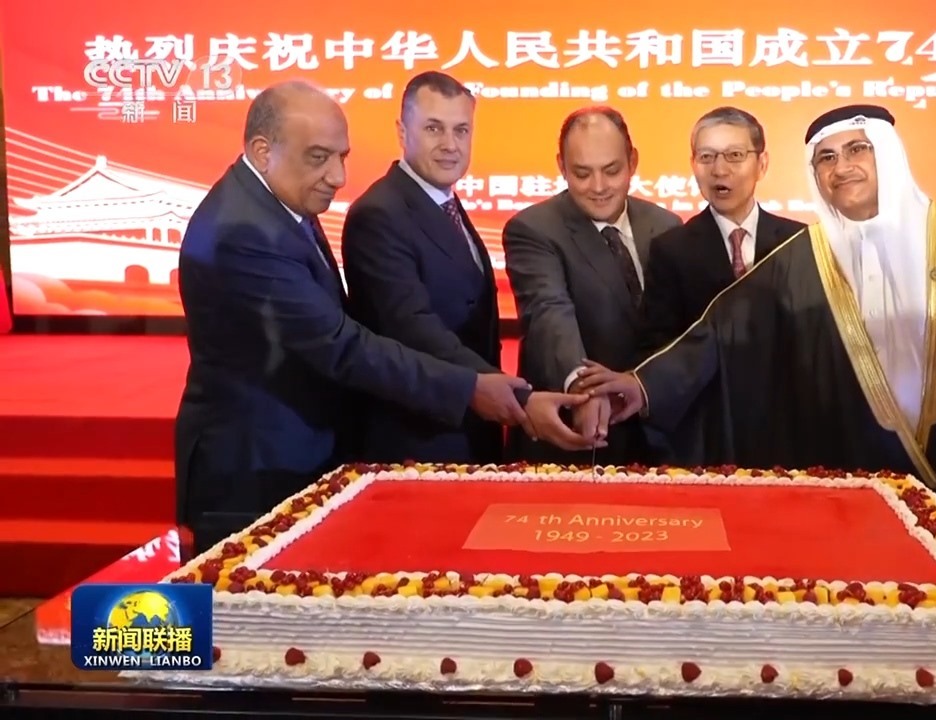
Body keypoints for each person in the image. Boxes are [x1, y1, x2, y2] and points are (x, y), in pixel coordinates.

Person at [176, 81, 595, 555]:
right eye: (319, 158)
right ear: (262, 150)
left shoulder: (279, 203)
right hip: (253, 469)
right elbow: (342, 345)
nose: (338, 176)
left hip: (292, 454)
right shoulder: (244, 231)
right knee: (246, 602)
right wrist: (475, 389)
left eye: (342, 157)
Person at [576, 104, 936, 525]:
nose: (841, 167)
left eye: (857, 150)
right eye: (826, 158)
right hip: (860, 488)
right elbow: (721, 334)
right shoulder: (807, 256)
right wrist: (643, 384)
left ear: (888, 156)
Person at [342, 71, 509, 464]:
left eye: (461, 130)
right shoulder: (378, 214)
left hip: (467, 429)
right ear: (402, 131)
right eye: (434, 128)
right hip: (415, 439)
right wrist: (497, 386)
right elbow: (412, 327)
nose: (450, 144)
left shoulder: (444, 199)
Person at [502, 106, 680, 465]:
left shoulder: (667, 225)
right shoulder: (534, 228)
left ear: (633, 161)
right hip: (575, 436)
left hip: (660, 440)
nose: (598, 187)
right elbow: (550, 313)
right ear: (561, 166)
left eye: (611, 170)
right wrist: (584, 389)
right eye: (582, 173)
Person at [640, 107, 805, 354]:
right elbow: (659, 350)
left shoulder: (798, 241)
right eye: (706, 157)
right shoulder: (671, 251)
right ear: (693, 164)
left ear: (762, 164)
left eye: (735, 155)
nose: (719, 170)